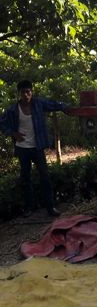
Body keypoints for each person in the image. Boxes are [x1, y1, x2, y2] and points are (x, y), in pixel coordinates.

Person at [0, 80, 69, 217]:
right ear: (19, 94)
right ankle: (30, 208)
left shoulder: (38, 104)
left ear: (32, 92)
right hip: (22, 148)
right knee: (26, 178)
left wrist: (66, 107)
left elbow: (53, 105)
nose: (26, 95)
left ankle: (50, 207)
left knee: (45, 177)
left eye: (28, 91)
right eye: (23, 92)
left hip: (37, 147)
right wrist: (13, 133)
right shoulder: (13, 109)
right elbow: (2, 123)